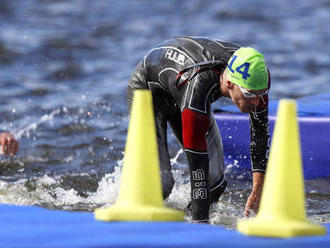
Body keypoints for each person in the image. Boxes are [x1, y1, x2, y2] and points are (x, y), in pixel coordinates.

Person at [127, 36, 270, 223]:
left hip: (180, 85)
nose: (256, 102)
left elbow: (259, 135)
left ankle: (181, 224)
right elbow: (197, 168)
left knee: (215, 183)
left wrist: (257, 192)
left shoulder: (258, 77)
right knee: (160, 187)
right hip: (147, 89)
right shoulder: (198, 88)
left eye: (262, 95)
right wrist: (200, 231)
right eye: (249, 95)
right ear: (229, 83)